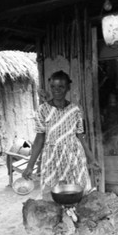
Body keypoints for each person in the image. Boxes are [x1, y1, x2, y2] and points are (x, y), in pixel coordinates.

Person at [22, 70, 100, 199]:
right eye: (53, 87)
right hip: (52, 156)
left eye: (61, 87)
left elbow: (80, 137)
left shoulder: (75, 109)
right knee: (51, 192)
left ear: (67, 88)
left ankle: (74, 215)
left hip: (73, 155)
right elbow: (39, 139)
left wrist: (92, 159)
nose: (56, 90)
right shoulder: (43, 110)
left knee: (77, 189)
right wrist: (30, 165)